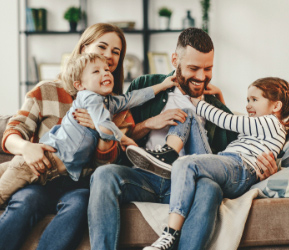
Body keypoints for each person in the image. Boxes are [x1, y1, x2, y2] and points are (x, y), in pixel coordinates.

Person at [88, 28, 278, 250]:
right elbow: (120, 138)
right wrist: (149, 123)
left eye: (208, 69)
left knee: (210, 187)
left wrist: (264, 169)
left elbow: (234, 158)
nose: (201, 77)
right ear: (175, 60)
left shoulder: (214, 105)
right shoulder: (146, 85)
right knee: (103, 174)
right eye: (193, 68)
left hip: (190, 183)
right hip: (145, 177)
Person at [128, 76, 289, 250]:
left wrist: (196, 101)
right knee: (186, 114)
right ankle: (168, 153)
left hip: (240, 167)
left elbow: (228, 121)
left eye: (254, 100)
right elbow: (233, 127)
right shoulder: (261, 127)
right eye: (247, 100)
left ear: (276, 106)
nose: (248, 105)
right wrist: (219, 96)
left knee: (185, 163)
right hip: (228, 163)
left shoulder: (271, 122)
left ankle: (170, 234)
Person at [0, 23, 131, 250]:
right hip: (40, 178)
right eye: (102, 46)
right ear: (83, 48)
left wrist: (102, 130)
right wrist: (26, 148)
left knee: (80, 203)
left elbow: (105, 165)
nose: (109, 56)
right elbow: (13, 132)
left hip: (79, 184)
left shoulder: (115, 107)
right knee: (26, 201)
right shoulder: (46, 89)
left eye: (116, 52)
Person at [0, 53, 175, 205]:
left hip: (49, 170)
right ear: (80, 86)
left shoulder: (108, 101)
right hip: (40, 162)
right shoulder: (90, 98)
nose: (106, 73)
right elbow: (104, 127)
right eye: (96, 71)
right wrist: (127, 140)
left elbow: (133, 97)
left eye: (107, 69)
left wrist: (162, 86)